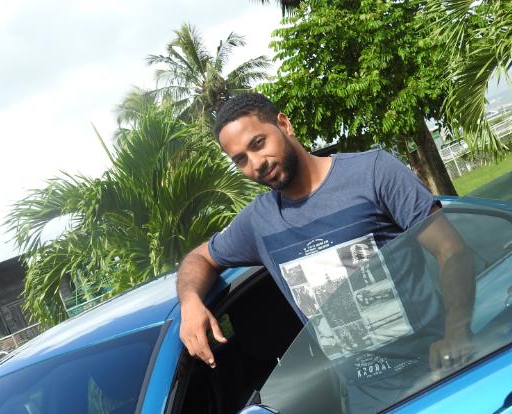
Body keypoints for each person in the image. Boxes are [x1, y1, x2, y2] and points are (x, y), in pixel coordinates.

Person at [176, 93, 474, 390]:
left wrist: (457, 333)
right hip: (364, 404)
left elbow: (451, 249)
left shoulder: (372, 172)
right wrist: (190, 303)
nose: (256, 164)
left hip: (437, 376)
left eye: (258, 143)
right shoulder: (258, 222)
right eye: (240, 159)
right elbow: (199, 258)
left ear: (284, 125)